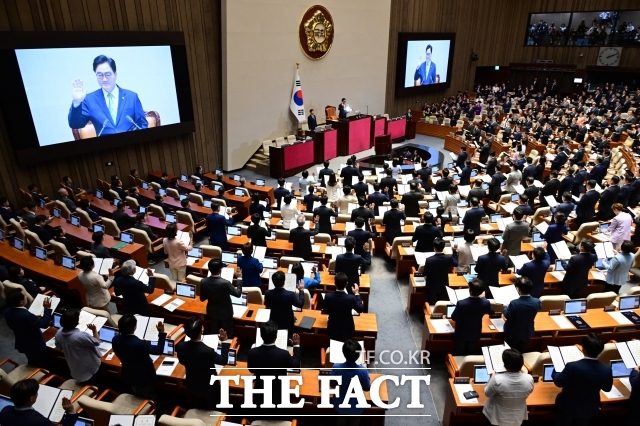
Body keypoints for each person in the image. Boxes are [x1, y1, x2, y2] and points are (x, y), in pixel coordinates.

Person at [68, 55, 148, 135]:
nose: (104, 79)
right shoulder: (89, 100)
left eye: (108, 74)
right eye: (100, 75)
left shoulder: (132, 97)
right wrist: (77, 102)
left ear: (115, 74)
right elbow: (75, 124)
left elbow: (142, 125)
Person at [552, 333, 613, 426]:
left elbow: (559, 382)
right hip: (590, 407)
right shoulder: (607, 369)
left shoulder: (572, 366)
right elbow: (607, 389)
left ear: (583, 349)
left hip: (568, 406)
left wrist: (556, 369)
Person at [176, 316, 229, 410]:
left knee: (197, 405)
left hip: (192, 384)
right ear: (202, 330)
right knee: (211, 407)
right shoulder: (207, 351)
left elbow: (182, 361)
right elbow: (223, 360)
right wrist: (224, 342)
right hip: (209, 387)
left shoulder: (180, 346)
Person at [247, 321, 301, 411]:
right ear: (276, 336)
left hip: (260, 393)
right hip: (279, 394)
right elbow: (295, 365)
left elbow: (251, 370)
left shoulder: (252, 352)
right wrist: (296, 346)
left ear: (261, 336)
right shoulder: (283, 354)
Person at [112, 314, 166, 399]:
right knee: (149, 395)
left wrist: (142, 344)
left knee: (137, 393)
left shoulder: (115, 339)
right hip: (145, 376)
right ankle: (150, 408)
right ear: (134, 327)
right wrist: (161, 333)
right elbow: (158, 350)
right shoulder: (140, 344)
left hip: (129, 373)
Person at [482, 349, 534, 426]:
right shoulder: (529, 378)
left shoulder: (497, 379)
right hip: (517, 417)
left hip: (498, 418)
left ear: (505, 365)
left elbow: (487, 393)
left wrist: (491, 378)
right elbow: (529, 391)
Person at [4, 289, 51, 368]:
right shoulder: (26, 315)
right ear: (21, 302)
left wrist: (33, 320)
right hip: (35, 345)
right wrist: (47, 309)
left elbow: (14, 324)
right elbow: (44, 324)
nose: (26, 297)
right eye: (25, 296)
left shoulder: (7, 311)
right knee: (43, 363)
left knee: (32, 360)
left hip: (23, 343)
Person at [0, 379, 78, 426]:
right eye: (36, 392)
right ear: (31, 398)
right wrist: (70, 412)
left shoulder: (5, 411)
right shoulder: (40, 421)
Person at [55, 309, 102, 382]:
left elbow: (59, 348)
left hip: (74, 367)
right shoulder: (80, 336)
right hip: (90, 367)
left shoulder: (58, 333)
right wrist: (94, 330)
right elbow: (97, 342)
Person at [331, 338, 371, 426]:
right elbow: (367, 388)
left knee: (341, 422)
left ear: (343, 353)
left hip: (340, 406)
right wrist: (366, 370)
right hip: (356, 408)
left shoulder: (336, 367)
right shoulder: (363, 371)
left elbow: (332, 384)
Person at [200, 258, 242, 338]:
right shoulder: (225, 283)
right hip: (225, 312)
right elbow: (238, 294)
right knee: (227, 333)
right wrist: (239, 278)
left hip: (212, 311)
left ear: (209, 269)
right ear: (220, 270)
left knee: (214, 332)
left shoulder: (203, 281)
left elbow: (202, 298)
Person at [451, 278, 494, 355]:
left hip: (461, 332)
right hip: (475, 331)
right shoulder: (485, 302)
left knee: (459, 351)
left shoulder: (461, 303)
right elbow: (491, 312)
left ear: (470, 290)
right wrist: (483, 298)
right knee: (472, 351)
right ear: (482, 292)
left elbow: (454, 317)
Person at [503, 277, 541, 352]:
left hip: (513, 333)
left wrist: (504, 306)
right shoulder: (537, 301)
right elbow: (538, 308)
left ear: (518, 289)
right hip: (527, 332)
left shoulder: (514, 303)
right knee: (521, 351)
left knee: (511, 352)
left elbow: (507, 316)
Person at [323, 273, 363, 341]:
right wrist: (357, 293)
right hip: (347, 328)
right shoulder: (351, 298)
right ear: (347, 284)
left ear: (334, 283)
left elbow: (325, 310)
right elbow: (360, 309)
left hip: (333, 327)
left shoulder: (328, 296)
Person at [265, 270, 305, 336]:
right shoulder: (290, 294)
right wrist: (301, 291)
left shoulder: (268, 293)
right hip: (287, 324)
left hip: (274, 323)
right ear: (284, 282)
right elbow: (300, 304)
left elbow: (268, 305)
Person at [422, 238, 459, 303]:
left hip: (431, 285)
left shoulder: (429, 260)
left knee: (429, 302)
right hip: (443, 284)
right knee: (442, 303)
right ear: (443, 247)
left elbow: (425, 275)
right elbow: (455, 263)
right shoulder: (448, 258)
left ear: (434, 247)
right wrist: (454, 251)